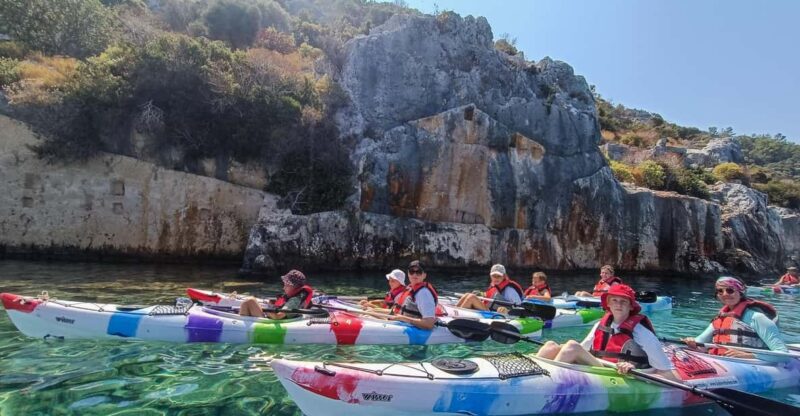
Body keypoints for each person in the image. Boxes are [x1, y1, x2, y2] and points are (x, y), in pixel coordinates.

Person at [537, 284, 676, 378]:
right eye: (614, 300)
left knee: (572, 346)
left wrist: (633, 367)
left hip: (618, 373)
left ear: (631, 307)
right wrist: (561, 348)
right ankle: (534, 374)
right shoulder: (601, 324)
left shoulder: (641, 332)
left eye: (623, 301)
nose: (618, 304)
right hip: (602, 366)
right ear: (608, 303)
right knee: (550, 345)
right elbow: (584, 348)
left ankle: (548, 381)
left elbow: (666, 372)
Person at [682, 276, 788, 362]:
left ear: (741, 293)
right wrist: (691, 342)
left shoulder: (757, 318)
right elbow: (699, 342)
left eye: (730, 290)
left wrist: (750, 355)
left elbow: (783, 355)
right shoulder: (720, 319)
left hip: (750, 365)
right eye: (720, 291)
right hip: (721, 361)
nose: (725, 294)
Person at [239, 269, 314, 319]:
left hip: (271, 324)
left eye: (286, 285)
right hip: (272, 320)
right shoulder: (296, 297)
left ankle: (240, 327)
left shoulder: (294, 301)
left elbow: (278, 316)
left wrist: (267, 310)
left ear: (295, 287)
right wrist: (273, 305)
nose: (283, 288)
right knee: (250, 302)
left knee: (250, 301)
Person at [389, 260, 439, 330]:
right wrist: (373, 311)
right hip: (402, 323)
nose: (414, 275)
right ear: (408, 274)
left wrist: (404, 318)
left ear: (424, 275)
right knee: (372, 312)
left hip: (413, 328)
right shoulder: (411, 289)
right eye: (411, 271)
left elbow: (429, 324)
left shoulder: (423, 293)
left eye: (418, 272)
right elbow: (398, 311)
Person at [455, 264, 523, 313]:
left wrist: (507, 311)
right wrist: (482, 294)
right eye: (494, 276)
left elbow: (520, 307)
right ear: (490, 276)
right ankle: (454, 311)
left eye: (499, 276)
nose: (496, 278)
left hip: (494, 312)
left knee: (471, 297)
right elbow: (492, 295)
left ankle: (457, 315)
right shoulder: (494, 285)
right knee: (467, 294)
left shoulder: (510, 290)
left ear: (504, 276)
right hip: (489, 308)